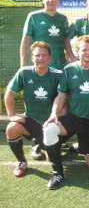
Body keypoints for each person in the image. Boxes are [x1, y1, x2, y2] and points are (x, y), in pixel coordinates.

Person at [42, 35, 89, 190]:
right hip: (72, 118)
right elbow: (61, 96)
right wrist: (54, 114)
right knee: (49, 130)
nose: (87, 53)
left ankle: (79, 144)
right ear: (77, 51)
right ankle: (58, 173)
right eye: (83, 50)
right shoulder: (68, 70)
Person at [4, 41, 62, 177]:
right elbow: (9, 93)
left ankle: (44, 143)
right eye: (37, 55)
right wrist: (11, 115)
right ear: (32, 57)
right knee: (11, 128)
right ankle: (21, 162)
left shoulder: (58, 75)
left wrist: (61, 111)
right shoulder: (24, 73)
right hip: (31, 120)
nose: (40, 58)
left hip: (50, 123)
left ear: (50, 58)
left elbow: (64, 96)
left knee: (52, 157)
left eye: (43, 55)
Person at [20, 0, 75, 69]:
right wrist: (23, 63)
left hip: (60, 66)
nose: (51, 0)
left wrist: (71, 57)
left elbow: (66, 41)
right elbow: (25, 41)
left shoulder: (63, 18)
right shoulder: (33, 17)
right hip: (41, 67)